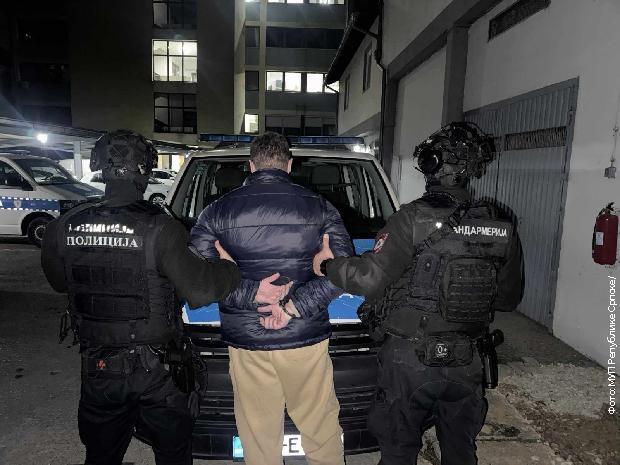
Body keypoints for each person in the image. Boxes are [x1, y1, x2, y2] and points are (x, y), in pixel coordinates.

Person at [313, 122, 524, 465]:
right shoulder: (501, 225)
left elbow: (368, 279)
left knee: (398, 450)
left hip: (409, 361)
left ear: (432, 166)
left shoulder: (411, 219)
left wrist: (328, 265)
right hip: (467, 359)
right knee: (460, 451)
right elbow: (507, 299)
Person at [41, 130, 241, 465]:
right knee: (172, 454)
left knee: (101, 456)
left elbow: (59, 283)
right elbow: (201, 290)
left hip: (99, 366)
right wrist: (229, 269)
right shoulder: (161, 228)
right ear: (146, 171)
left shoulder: (63, 226)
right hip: (157, 371)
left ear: (98, 166)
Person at [189, 131, 354, 465]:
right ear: (289, 165)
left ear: (251, 166)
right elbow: (344, 272)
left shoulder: (216, 212)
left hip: (248, 341)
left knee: (259, 436)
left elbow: (197, 278)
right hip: (304, 338)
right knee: (320, 428)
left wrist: (251, 293)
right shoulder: (320, 207)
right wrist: (293, 307)